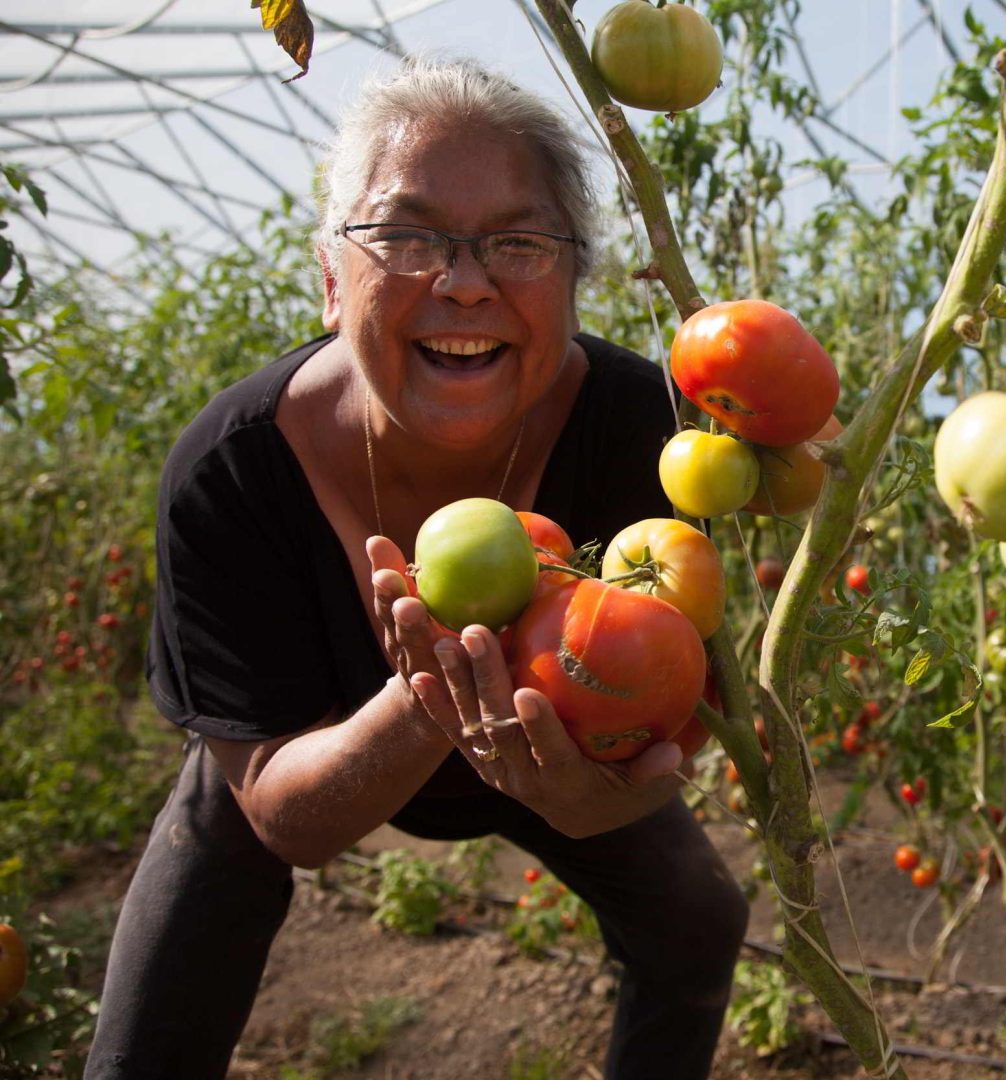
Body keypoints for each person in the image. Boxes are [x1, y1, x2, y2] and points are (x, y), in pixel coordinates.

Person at [85, 56, 749, 1080]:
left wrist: (607, 798)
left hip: (557, 753)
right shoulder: (234, 472)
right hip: (307, 755)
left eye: (520, 242)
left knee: (699, 918)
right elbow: (282, 813)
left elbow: (661, 735)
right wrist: (427, 697)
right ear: (330, 278)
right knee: (169, 979)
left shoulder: (647, 436)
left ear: (575, 284)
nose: (466, 281)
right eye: (405, 235)